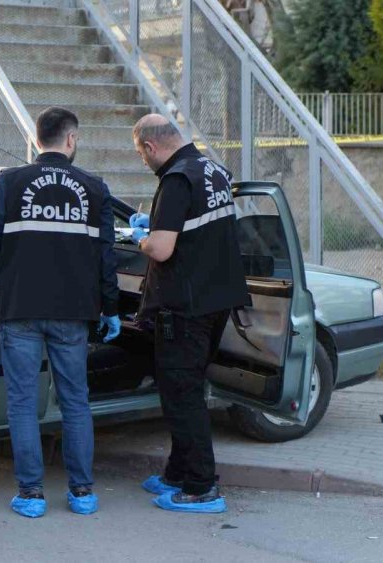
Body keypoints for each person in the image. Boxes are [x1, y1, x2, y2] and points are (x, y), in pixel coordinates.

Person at [0, 107, 120, 518]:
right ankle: (82, 492)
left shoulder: (10, 181)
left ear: (37, 140)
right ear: (70, 140)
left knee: (22, 402)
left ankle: (31, 494)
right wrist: (110, 307)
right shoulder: (94, 188)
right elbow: (105, 258)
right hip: (73, 312)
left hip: (19, 307)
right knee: (75, 401)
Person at [128, 114, 249, 514]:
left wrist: (141, 238)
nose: (145, 162)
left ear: (150, 146)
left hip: (186, 306)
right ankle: (176, 473)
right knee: (187, 388)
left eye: (141, 155)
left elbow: (162, 249)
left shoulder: (177, 179)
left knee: (182, 396)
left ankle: (201, 488)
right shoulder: (213, 170)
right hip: (218, 300)